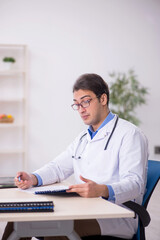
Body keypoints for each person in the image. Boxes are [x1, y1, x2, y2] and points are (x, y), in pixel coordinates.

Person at [2, 73, 149, 240]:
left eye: (86, 101)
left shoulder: (130, 134)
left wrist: (102, 190)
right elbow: (58, 167)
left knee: (56, 227)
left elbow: (135, 183)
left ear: (103, 99)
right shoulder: (83, 138)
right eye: (77, 104)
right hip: (85, 208)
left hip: (116, 214)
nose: (81, 109)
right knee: (18, 221)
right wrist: (33, 178)